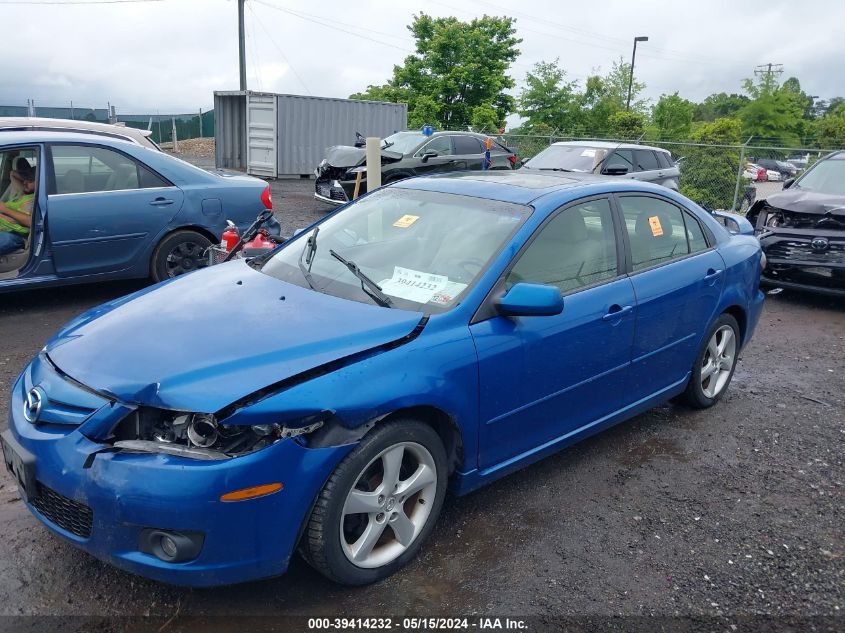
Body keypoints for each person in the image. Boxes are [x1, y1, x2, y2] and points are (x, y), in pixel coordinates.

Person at [0, 161, 36, 256]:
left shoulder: (37, 200)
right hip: (3, 228)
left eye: (30, 180)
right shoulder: (22, 192)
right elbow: (13, 173)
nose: (24, 182)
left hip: (14, 234)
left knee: (4, 240)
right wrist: (28, 178)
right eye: (24, 179)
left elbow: (32, 221)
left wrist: (5, 211)